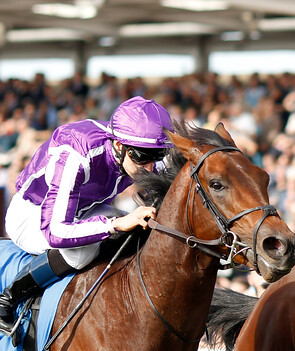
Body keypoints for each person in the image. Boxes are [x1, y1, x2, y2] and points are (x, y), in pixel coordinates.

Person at [0, 96, 173, 336]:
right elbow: (56, 231)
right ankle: (10, 296)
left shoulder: (137, 147)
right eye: (141, 157)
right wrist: (116, 224)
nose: (150, 168)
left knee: (139, 228)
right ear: (119, 146)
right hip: (33, 214)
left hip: (85, 209)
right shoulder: (77, 154)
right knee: (83, 251)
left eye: (156, 157)